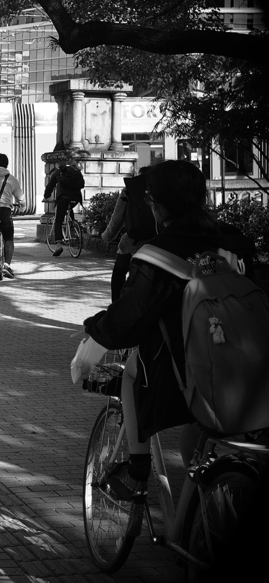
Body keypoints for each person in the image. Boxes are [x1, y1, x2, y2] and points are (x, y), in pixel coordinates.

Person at [83, 160, 255, 512]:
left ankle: (137, 470)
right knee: (199, 432)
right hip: (248, 359)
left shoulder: (157, 254)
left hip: (183, 366)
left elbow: (127, 320)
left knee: (131, 375)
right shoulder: (236, 242)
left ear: (157, 205)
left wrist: (94, 329)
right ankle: (199, 506)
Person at [100, 166, 154, 301]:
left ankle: (115, 305)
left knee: (119, 271)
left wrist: (106, 236)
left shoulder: (129, 190)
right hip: (155, 244)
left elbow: (117, 218)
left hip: (131, 242)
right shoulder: (160, 190)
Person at [44, 159, 84, 257]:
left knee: (59, 220)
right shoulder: (76, 172)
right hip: (76, 198)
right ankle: (73, 228)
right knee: (69, 210)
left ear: (59, 165)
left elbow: (50, 186)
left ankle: (58, 245)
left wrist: (46, 195)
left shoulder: (59, 172)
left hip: (63, 198)